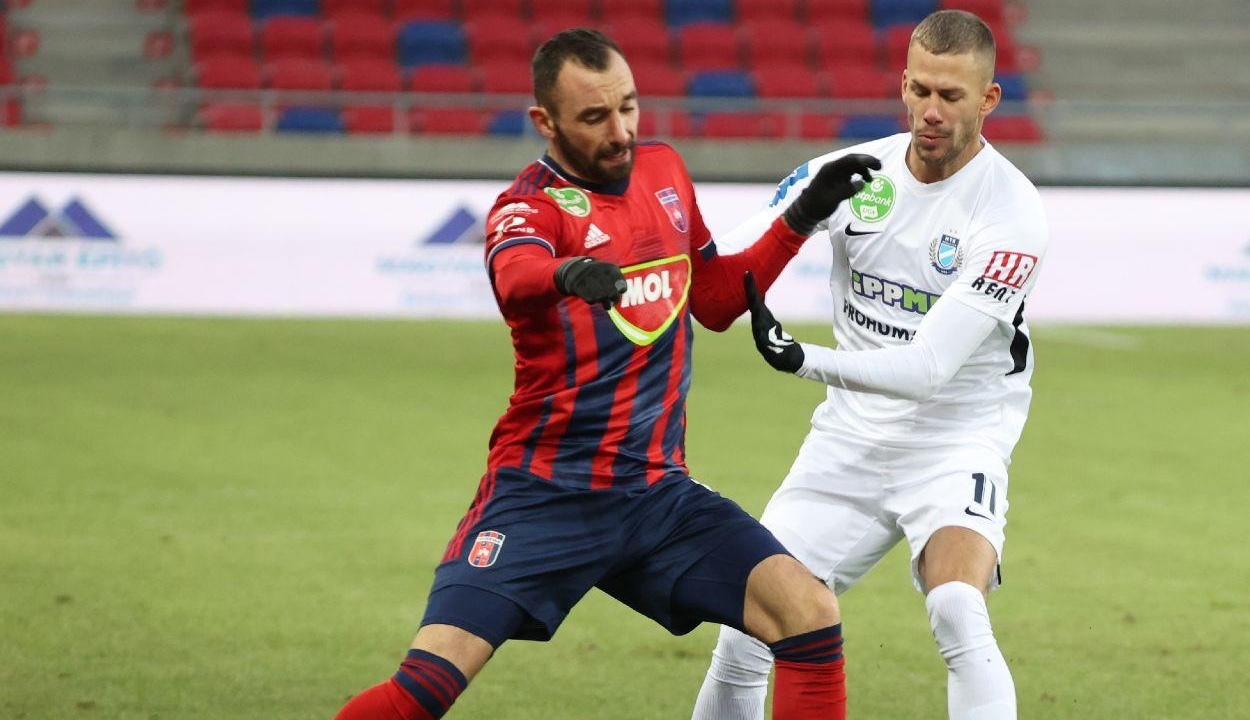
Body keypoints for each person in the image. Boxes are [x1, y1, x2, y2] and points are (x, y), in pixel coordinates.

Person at [332, 28, 882, 720]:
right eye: (595, 117)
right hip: (544, 494)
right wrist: (567, 272)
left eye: (628, 107)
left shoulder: (665, 172)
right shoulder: (530, 206)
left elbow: (712, 301)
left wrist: (801, 215)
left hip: (655, 494)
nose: (620, 130)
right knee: (425, 688)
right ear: (546, 121)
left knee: (807, 614)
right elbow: (514, 274)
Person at [691, 10, 1049, 720]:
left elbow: (928, 369)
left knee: (956, 607)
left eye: (951, 96)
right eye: (919, 90)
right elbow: (721, 271)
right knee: (749, 630)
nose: (930, 112)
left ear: (989, 99)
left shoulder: (1012, 214)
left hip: (956, 437)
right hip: (847, 442)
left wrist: (802, 360)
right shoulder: (852, 173)